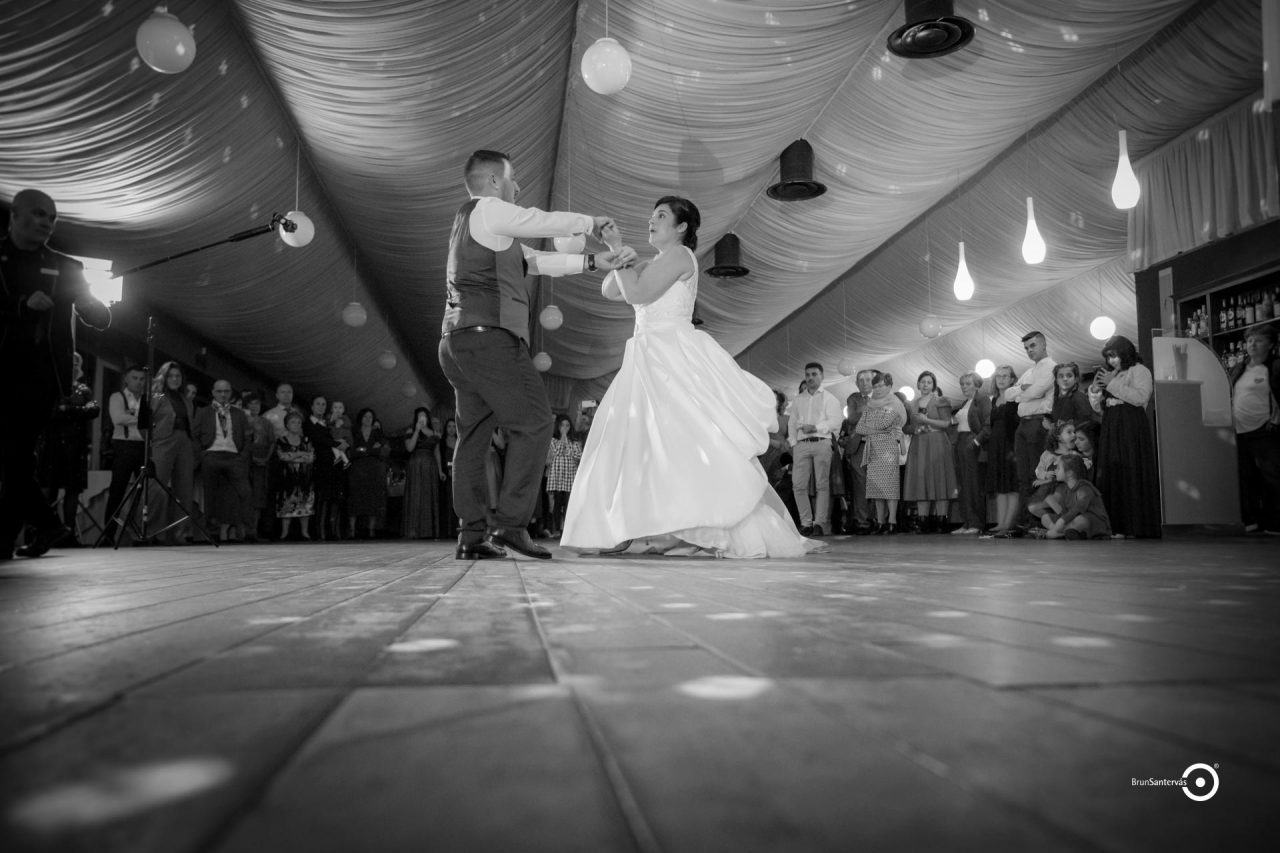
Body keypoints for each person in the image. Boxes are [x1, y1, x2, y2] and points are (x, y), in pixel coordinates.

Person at [561, 196, 821, 558]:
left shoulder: (681, 257)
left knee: (682, 441)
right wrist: (623, 258)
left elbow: (634, 292)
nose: (652, 221)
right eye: (651, 215)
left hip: (671, 355)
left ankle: (689, 529)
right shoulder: (653, 262)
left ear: (681, 227)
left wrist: (619, 250)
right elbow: (610, 290)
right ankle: (646, 526)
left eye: (661, 216)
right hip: (646, 355)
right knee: (643, 443)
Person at [438, 149, 630, 560]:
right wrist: (590, 222)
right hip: (489, 339)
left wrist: (594, 261)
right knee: (538, 422)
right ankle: (510, 524)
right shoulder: (488, 210)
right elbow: (536, 220)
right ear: (492, 182)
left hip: (458, 342)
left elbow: (538, 261)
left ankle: (471, 537)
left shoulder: (481, 230)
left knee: (472, 437)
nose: (518, 187)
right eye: (513, 179)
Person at [1, 189, 111, 559]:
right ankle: (15, 535)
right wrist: (20, 305)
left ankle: (44, 525)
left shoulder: (68, 267)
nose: (47, 222)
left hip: (40, 378)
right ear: (14, 215)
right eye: (38, 214)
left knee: (13, 453)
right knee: (16, 460)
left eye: (52, 217)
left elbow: (100, 319)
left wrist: (89, 302)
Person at [1089, 335, 1162, 538]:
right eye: (1108, 357)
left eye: (1114, 356)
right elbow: (1099, 408)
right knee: (1112, 469)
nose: (1112, 361)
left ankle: (1134, 525)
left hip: (1131, 424)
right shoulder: (1114, 374)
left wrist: (1111, 384)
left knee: (1130, 469)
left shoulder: (1140, 370)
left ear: (1125, 352)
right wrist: (1095, 391)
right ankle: (1116, 525)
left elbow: (1140, 398)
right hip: (1112, 423)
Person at [1226, 325, 1280, 534]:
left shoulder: (1275, 367)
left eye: (1258, 340)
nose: (1252, 344)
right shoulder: (1239, 368)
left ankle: (1275, 523)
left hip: (1265, 431)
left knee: (1272, 478)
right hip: (1239, 431)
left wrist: (1275, 420)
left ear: (1271, 344)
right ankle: (1251, 521)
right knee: (1246, 479)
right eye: (1249, 340)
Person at [191, 379, 252, 542]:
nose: (223, 394)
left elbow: (248, 438)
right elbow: (194, 436)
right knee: (210, 495)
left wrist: (243, 456)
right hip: (211, 454)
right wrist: (202, 454)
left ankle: (245, 528)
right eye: (219, 391)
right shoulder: (203, 412)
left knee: (245, 492)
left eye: (226, 391)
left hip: (234, 456)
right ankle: (211, 531)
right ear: (213, 392)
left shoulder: (239, 413)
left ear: (230, 393)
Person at [787, 362, 844, 536]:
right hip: (802, 445)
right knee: (798, 485)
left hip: (822, 442)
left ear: (822, 376)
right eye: (807, 375)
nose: (810, 378)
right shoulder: (798, 399)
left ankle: (819, 523)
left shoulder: (829, 398)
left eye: (814, 374)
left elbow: (836, 422)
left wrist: (816, 427)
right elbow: (792, 422)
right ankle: (806, 523)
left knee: (822, 484)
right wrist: (793, 444)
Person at [1006, 331, 1055, 527]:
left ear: (1044, 344)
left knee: (1038, 472)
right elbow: (1009, 394)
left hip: (1038, 422)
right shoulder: (1028, 371)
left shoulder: (1052, 367)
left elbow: (1037, 391)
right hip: (1023, 424)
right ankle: (1026, 521)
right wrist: (1023, 391)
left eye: (1033, 345)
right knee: (1023, 475)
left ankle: (1037, 520)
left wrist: (1024, 393)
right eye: (1026, 347)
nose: (1029, 350)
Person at [146, 361, 198, 545]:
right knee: (156, 486)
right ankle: (152, 532)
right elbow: (145, 422)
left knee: (185, 488)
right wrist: (150, 443)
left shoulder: (185, 399)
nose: (175, 379)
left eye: (178, 376)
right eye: (171, 375)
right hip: (163, 440)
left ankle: (180, 533)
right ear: (163, 376)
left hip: (184, 440)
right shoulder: (157, 395)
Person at [903, 370, 958, 533]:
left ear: (934, 385)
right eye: (923, 381)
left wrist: (927, 420)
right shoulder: (911, 404)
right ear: (918, 384)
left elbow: (946, 423)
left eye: (929, 382)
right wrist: (915, 429)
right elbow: (905, 426)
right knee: (921, 480)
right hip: (919, 444)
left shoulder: (941, 400)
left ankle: (941, 520)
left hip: (937, 442)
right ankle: (923, 520)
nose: (925, 384)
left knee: (939, 478)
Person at [855, 370, 907, 534]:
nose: (877, 388)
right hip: (873, 448)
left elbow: (884, 423)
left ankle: (892, 521)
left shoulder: (894, 402)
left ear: (890, 386)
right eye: (875, 385)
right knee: (876, 487)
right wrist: (875, 428)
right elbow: (859, 428)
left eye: (881, 385)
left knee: (890, 486)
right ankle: (880, 521)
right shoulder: (871, 404)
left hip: (889, 448)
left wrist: (873, 427)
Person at [102, 365, 147, 541]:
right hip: (123, 446)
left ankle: (139, 534)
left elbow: (154, 420)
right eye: (135, 378)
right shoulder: (117, 396)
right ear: (126, 379)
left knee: (143, 492)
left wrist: (133, 418)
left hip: (143, 447)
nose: (139, 382)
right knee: (117, 491)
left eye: (142, 379)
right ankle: (109, 535)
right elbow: (118, 418)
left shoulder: (147, 399)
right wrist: (142, 420)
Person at [982, 364, 1022, 537]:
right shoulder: (993, 399)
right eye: (998, 376)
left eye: (1005, 376)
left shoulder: (1016, 397)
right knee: (1000, 485)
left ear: (1013, 379)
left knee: (1011, 484)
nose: (1001, 379)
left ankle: (1009, 522)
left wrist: (1014, 448)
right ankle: (1000, 522)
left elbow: (1015, 423)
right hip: (995, 445)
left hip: (1010, 444)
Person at [950, 371, 990, 535]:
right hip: (960, 441)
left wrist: (976, 441)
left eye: (968, 383)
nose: (964, 387)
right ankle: (966, 522)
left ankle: (976, 522)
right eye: (962, 384)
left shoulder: (982, 399)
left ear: (977, 384)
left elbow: (988, 424)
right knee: (962, 485)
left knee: (973, 484)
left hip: (972, 442)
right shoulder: (965, 402)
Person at [1041, 453, 1112, 540]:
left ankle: (1059, 533)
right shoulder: (1066, 489)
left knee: (1080, 520)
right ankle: (1065, 532)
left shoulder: (1085, 488)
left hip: (1094, 522)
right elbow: (1065, 512)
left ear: (1069, 473)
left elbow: (1079, 509)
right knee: (1045, 517)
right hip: (1072, 520)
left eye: (1058, 468)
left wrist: (1061, 522)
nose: (1055, 470)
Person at [840, 370, 875, 534]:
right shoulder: (853, 398)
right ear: (857, 384)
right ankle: (862, 521)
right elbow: (851, 418)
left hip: (878, 445)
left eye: (868, 380)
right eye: (861, 380)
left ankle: (879, 519)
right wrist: (869, 409)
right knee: (860, 485)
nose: (865, 383)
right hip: (858, 446)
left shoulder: (882, 396)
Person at [347, 407, 389, 539]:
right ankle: (352, 530)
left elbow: (383, 450)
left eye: (370, 417)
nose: (368, 419)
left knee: (373, 499)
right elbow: (351, 450)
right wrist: (370, 450)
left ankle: (371, 531)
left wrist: (364, 450)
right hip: (357, 469)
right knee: (354, 499)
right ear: (361, 418)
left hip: (373, 470)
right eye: (365, 416)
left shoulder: (377, 432)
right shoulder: (354, 431)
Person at [402, 407, 444, 539]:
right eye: (419, 416)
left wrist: (440, 470)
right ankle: (413, 531)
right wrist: (417, 430)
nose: (422, 419)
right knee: (415, 495)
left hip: (430, 465)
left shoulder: (434, 433)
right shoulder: (411, 431)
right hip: (415, 465)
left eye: (424, 416)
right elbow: (409, 448)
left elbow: (437, 452)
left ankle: (429, 531)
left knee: (428, 496)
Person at [275, 411, 315, 539]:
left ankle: (305, 532)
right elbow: (282, 456)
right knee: (287, 505)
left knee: (305, 505)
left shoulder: (307, 440)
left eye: (298, 422)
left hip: (304, 478)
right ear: (286, 424)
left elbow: (311, 457)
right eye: (293, 422)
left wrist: (293, 456)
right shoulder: (281, 441)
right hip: (288, 479)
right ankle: (284, 533)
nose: (296, 424)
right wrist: (300, 454)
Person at [544, 414, 582, 537]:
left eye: (567, 425)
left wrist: (566, 441)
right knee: (557, 503)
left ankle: (568, 530)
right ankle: (557, 530)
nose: (565, 428)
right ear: (558, 427)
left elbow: (577, 455)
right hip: (557, 476)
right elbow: (556, 452)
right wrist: (563, 438)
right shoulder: (553, 440)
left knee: (569, 504)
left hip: (570, 476)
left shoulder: (575, 442)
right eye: (562, 425)